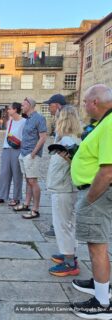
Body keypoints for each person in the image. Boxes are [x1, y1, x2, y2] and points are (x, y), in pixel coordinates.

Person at [70, 84, 112, 319]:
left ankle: (102, 304)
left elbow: (108, 170)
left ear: (95, 102)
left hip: (98, 194)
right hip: (97, 193)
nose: (84, 105)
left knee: (98, 247)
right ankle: (100, 283)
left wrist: (89, 199)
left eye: (86, 101)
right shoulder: (103, 123)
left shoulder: (110, 124)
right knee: (97, 244)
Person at [46, 106, 81, 277]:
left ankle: (69, 262)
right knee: (68, 223)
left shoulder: (69, 141)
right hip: (66, 188)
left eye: (58, 118)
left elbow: (76, 165)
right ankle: (69, 254)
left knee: (62, 224)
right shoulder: (71, 139)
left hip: (64, 189)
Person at [13, 97, 47, 219]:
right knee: (28, 180)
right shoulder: (27, 119)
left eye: (23, 105)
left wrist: (33, 153)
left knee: (33, 181)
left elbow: (43, 137)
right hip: (24, 153)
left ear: (30, 105)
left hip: (31, 155)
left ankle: (35, 209)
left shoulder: (39, 118)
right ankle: (26, 204)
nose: (21, 107)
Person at [43, 93, 67, 238]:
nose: (49, 109)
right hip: (58, 169)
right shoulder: (59, 121)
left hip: (63, 172)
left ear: (58, 106)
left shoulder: (66, 123)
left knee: (61, 200)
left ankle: (59, 227)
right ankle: (57, 224)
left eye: (50, 106)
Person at [0, 102, 26, 206]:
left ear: (15, 109)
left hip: (17, 149)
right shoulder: (9, 121)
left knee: (17, 174)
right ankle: (2, 196)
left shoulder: (24, 122)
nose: (8, 110)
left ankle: (16, 198)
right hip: (6, 148)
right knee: (4, 174)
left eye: (10, 108)